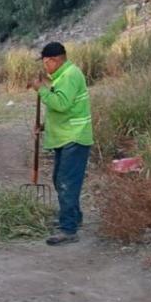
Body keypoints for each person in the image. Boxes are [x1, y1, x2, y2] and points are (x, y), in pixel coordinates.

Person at [31, 42, 93, 246]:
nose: (44, 67)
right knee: (60, 179)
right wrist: (44, 126)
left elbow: (61, 104)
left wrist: (41, 90)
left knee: (67, 183)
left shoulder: (69, 76)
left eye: (46, 62)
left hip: (74, 138)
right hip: (66, 136)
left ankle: (68, 229)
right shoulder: (62, 77)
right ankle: (73, 217)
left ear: (55, 60)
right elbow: (67, 108)